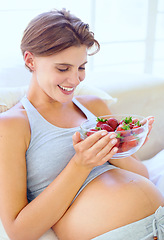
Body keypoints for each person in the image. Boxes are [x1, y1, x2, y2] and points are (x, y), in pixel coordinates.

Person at [0, 8, 164, 240]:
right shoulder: (12, 126)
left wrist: (123, 148)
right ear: (30, 60)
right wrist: (80, 164)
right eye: (63, 68)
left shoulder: (93, 106)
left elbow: (143, 175)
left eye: (82, 67)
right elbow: (18, 232)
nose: (75, 79)